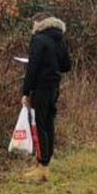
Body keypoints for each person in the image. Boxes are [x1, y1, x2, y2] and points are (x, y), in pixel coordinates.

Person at [20, 11, 71, 178]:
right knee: (49, 123)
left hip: (40, 88)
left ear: (39, 23)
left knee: (39, 124)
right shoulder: (60, 39)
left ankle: (42, 166)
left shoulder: (39, 39)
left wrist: (26, 91)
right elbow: (66, 66)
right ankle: (46, 161)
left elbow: (32, 68)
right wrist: (52, 65)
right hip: (54, 87)